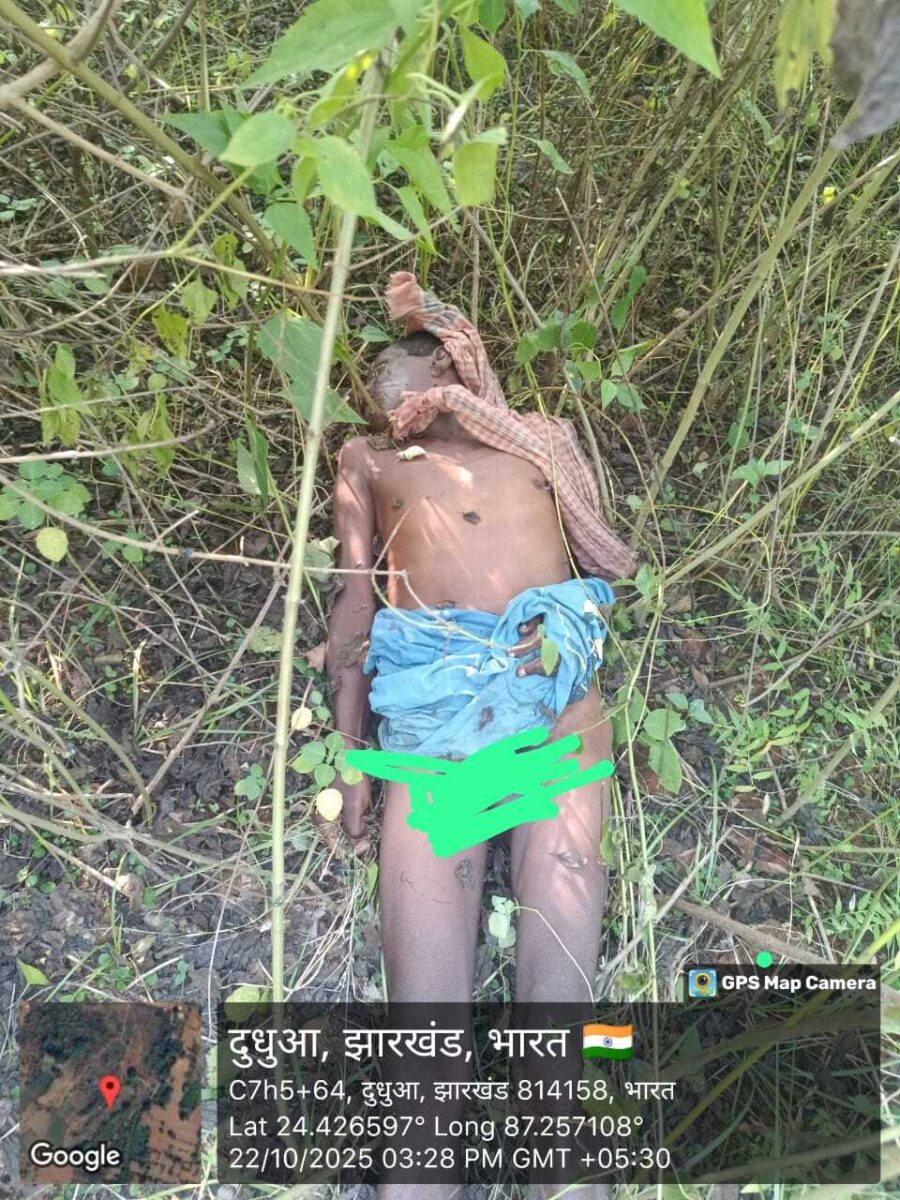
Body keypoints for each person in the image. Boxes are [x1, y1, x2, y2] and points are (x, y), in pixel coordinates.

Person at [325, 273, 637, 1199]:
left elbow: (600, 557)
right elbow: (354, 610)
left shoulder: (536, 441)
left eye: (407, 375)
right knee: (424, 1052)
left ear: (457, 371)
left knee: (560, 943)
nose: (392, 400)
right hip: (433, 709)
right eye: (378, 393)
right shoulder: (367, 461)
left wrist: (451, 348)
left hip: (552, 695)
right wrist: (351, 755)